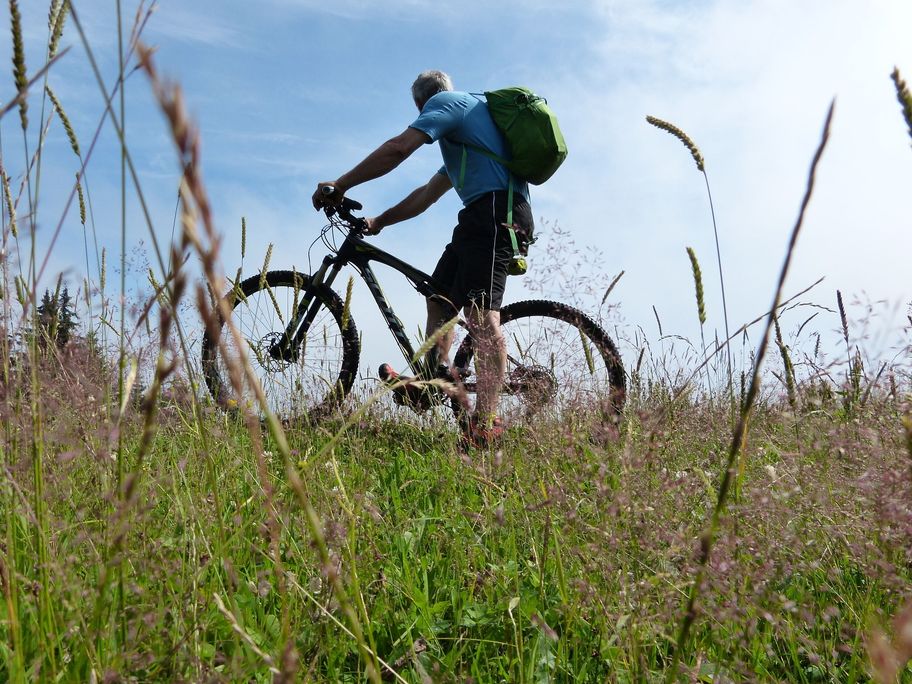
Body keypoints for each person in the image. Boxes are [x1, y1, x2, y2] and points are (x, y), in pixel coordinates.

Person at [312, 70, 534, 446]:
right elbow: (427, 194)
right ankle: (429, 384)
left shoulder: (449, 103)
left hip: (498, 214)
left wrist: (341, 184)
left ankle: (486, 423)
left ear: (421, 104)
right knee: (439, 299)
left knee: (482, 317)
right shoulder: (465, 138)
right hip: (479, 216)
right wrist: (379, 221)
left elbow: (399, 148)